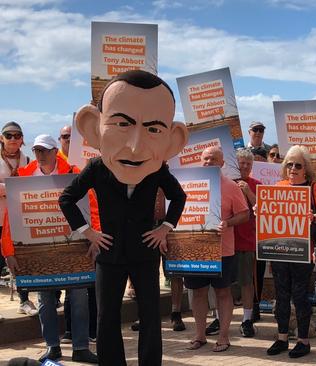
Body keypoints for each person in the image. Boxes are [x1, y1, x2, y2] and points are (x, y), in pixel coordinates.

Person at [59, 70, 189, 366]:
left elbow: (179, 196)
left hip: (144, 252)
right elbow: (66, 198)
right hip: (109, 252)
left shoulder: (155, 168)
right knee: (107, 317)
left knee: (150, 315)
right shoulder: (97, 167)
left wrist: (165, 228)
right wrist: (87, 232)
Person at [1, 134, 98, 363]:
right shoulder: (23, 177)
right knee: (45, 300)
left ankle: (81, 347)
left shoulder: (74, 173)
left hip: (75, 250)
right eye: (36, 151)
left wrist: (95, 239)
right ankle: (52, 347)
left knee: (79, 298)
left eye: (44, 150)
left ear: (56, 151)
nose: (40, 155)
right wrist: (8, 252)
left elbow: (92, 206)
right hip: (38, 252)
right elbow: (10, 219)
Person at [266, 145, 316, 359]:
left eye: (298, 165)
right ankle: (282, 338)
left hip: (303, 252)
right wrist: (261, 209)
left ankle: (303, 340)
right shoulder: (278, 186)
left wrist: (313, 217)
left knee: (300, 295)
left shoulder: (314, 189)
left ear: (306, 169)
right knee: (282, 294)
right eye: (289, 164)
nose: (293, 168)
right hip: (280, 251)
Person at [185, 146, 249, 352]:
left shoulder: (231, 186)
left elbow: (245, 214)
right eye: (205, 159)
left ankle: (223, 336)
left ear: (222, 163)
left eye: (213, 159)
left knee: (223, 293)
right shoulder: (189, 185)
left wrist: (228, 223)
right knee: (198, 293)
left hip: (223, 251)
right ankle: (200, 335)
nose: (208, 163)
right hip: (197, 250)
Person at [0, 121, 36, 317]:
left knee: (20, 262)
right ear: (1, 138)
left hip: (17, 221)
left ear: (22, 139)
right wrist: (12, 188)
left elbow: (31, 187)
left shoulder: (28, 160)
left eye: (17, 135)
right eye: (8, 135)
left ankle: (24, 300)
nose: (13, 139)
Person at [233, 148, 261, 337]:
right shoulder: (225, 182)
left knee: (246, 283)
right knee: (222, 285)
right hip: (226, 240)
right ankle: (219, 318)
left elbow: (262, 209)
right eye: (241, 163)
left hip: (247, 241)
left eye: (248, 164)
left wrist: (247, 191)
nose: (244, 166)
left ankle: (247, 320)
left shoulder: (256, 184)